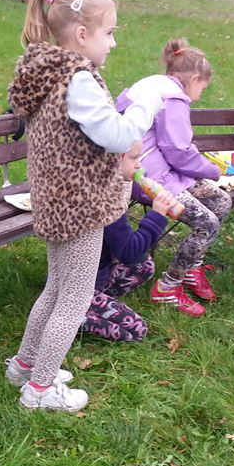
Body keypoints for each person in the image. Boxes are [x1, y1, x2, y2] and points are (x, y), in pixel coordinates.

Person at [3, 0, 163, 411]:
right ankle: (40, 390)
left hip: (58, 202)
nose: (113, 42)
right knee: (73, 301)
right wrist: (147, 104)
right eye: (109, 32)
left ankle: (25, 365)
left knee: (56, 289)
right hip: (82, 206)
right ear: (81, 35)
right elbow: (117, 136)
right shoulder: (78, 79)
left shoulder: (48, 71)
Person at [117, 38, 232, 317]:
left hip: (154, 167)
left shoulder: (155, 84)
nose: (200, 95)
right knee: (207, 223)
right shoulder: (174, 99)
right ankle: (168, 287)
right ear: (194, 79)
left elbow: (171, 148)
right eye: (203, 88)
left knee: (221, 201)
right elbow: (179, 152)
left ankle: (191, 266)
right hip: (145, 176)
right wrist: (213, 170)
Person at [82, 141, 176, 343]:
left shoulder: (98, 187)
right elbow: (128, 252)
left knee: (145, 265)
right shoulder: (107, 202)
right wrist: (156, 216)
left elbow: (123, 248)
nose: (139, 165)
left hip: (94, 275)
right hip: (79, 289)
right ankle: (77, 316)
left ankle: (98, 303)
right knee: (137, 330)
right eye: (133, 158)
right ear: (112, 162)